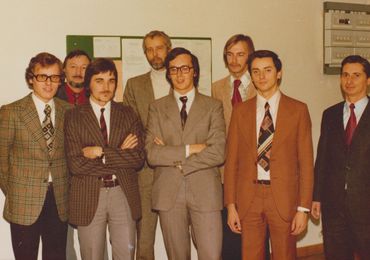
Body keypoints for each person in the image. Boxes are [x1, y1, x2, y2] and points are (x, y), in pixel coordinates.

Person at [224, 50, 314, 260]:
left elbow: (306, 163)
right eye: (255, 71)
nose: (261, 76)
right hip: (249, 197)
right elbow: (232, 162)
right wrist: (230, 206)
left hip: (283, 197)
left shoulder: (298, 110)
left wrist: (303, 208)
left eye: (267, 70)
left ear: (279, 73)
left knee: (284, 255)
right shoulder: (240, 111)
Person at [145, 47, 225, 260]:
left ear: (194, 72)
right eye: (173, 70)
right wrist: (191, 149)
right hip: (169, 193)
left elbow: (218, 152)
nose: (179, 74)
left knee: (211, 254)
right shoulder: (157, 108)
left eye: (185, 68)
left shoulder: (213, 106)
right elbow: (152, 154)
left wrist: (179, 160)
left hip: (205, 191)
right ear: (168, 74)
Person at [64, 58, 145, 260]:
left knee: (126, 255)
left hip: (123, 193)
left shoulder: (128, 113)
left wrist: (101, 152)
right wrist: (119, 153)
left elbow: (137, 158)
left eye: (111, 80)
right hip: (89, 195)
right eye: (99, 80)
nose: (106, 86)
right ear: (88, 83)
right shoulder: (73, 116)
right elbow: (76, 164)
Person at [0, 52, 70, 260]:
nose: (48, 83)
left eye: (54, 77)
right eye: (42, 77)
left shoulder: (70, 111)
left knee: (56, 256)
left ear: (60, 80)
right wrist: (14, 191)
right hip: (24, 200)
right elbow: (1, 159)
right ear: (31, 78)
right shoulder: (11, 112)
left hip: (59, 200)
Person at [212, 34, 271, 260]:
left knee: (257, 237)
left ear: (250, 56)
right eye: (229, 54)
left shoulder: (263, 86)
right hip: (225, 173)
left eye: (240, 54)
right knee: (230, 236)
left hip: (257, 174)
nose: (234, 60)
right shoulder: (216, 88)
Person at [312, 55, 370, 260]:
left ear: (368, 80)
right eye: (345, 75)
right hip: (334, 205)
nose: (349, 80)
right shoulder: (330, 114)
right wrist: (316, 196)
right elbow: (322, 158)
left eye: (356, 75)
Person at [123, 30, 172, 260]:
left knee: (178, 236)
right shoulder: (134, 85)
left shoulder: (182, 80)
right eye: (149, 50)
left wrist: (169, 147)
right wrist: (152, 144)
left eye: (159, 48)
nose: (155, 54)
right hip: (145, 172)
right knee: (144, 239)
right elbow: (130, 126)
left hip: (178, 171)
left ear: (169, 49)